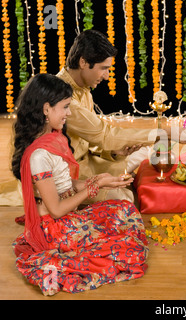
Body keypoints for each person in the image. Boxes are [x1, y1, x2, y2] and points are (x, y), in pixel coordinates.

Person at [11, 73, 148, 295]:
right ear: (46, 109)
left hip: (67, 215)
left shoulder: (53, 138)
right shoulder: (38, 155)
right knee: (128, 248)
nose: (68, 113)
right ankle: (55, 265)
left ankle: (66, 258)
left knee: (124, 209)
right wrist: (93, 188)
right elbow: (55, 210)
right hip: (54, 228)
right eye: (65, 107)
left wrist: (100, 181)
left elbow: (65, 184)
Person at [56, 29, 159, 203]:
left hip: (90, 161)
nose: (106, 76)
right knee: (126, 200)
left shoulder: (83, 89)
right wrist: (162, 132)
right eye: (103, 68)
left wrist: (112, 152)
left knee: (144, 152)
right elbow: (104, 135)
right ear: (83, 62)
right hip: (71, 174)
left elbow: (91, 139)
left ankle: (116, 176)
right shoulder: (62, 96)